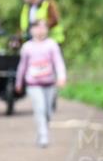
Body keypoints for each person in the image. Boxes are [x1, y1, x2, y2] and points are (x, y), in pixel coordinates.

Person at [15, 19, 67, 148]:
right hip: (33, 84)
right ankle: (44, 137)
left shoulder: (52, 45)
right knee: (40, 108)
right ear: (32, 30)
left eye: (43, 27)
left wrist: (61, 77)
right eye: (37, 27)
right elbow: (22, 66)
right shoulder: (27, 47)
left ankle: (42, 131)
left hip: (49, 83)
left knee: (48, 112)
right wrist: (19, 81)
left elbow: (58, 62)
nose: (40, 30)